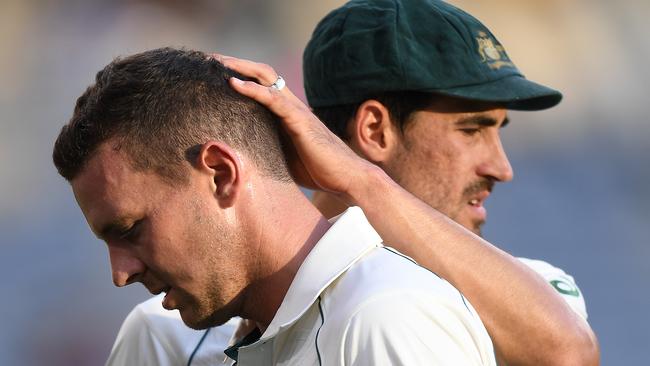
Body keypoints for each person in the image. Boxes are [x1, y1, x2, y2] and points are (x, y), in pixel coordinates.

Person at [107, 1, 599, 366]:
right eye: (471, 130)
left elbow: (567, 353)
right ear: (373, 130)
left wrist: (360, 179)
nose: (501, 167)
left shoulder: (537, 291)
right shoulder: (162, 335)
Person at [54, 47, 500, 365]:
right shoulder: (158, 338)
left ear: (221, 174)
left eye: (131, 229)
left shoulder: (387, 319)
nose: (120, 273)